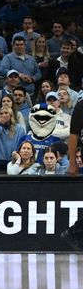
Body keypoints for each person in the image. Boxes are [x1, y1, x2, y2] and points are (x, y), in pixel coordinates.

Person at [61, 99, 83, 250]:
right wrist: (72, 163)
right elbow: (73, 135)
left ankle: (75, 233)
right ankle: (73, 232)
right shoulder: (81, 105)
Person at [0, 107, 26, 174]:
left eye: (6, 113)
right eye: (1, 113)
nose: (3, 115)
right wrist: (0, 125)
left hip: (13, 160)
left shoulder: (19, 129)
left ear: (11, 116)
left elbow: (21, 144)